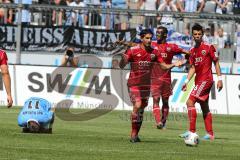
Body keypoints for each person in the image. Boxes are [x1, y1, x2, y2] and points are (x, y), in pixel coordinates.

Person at [119, 29, 183, 143]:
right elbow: (121, 65)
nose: (149, 40)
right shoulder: (133, 50)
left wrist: (174, 64)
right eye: (147, 38)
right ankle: (133, 135)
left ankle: (136, 135)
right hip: (134, 84)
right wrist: (123, 59)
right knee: (137, 105)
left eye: (150, 38)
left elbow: (163, 66)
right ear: (142, 38)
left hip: (146, 85)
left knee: (141, 109)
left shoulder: (155, 52)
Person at [179, 23, 223, 140]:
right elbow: (193, 67)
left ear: (202, 34)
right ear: (192, 36)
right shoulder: (192, 50)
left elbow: (216, 62)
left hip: (206, 80)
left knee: (189, 102)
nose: (197, 36)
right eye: (195, 34)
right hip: (198, 81)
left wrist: (220, 79)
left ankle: (191, 131)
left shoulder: (209, 47)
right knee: (204, 106)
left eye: (199, 34)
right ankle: (210, 134)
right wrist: (187, 81)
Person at [151, 26, 189, 129]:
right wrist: (124, 43)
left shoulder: (171, 47)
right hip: (154, 78)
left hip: (166, 78)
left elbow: (186, 52)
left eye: (159, 32)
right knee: (155, 99)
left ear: (165, 35)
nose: (157, 34)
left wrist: (188, 58)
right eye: (156, 32)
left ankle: (163, 122)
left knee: (165, 101)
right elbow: (136, 46)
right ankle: (158, 121)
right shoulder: (152, 45)